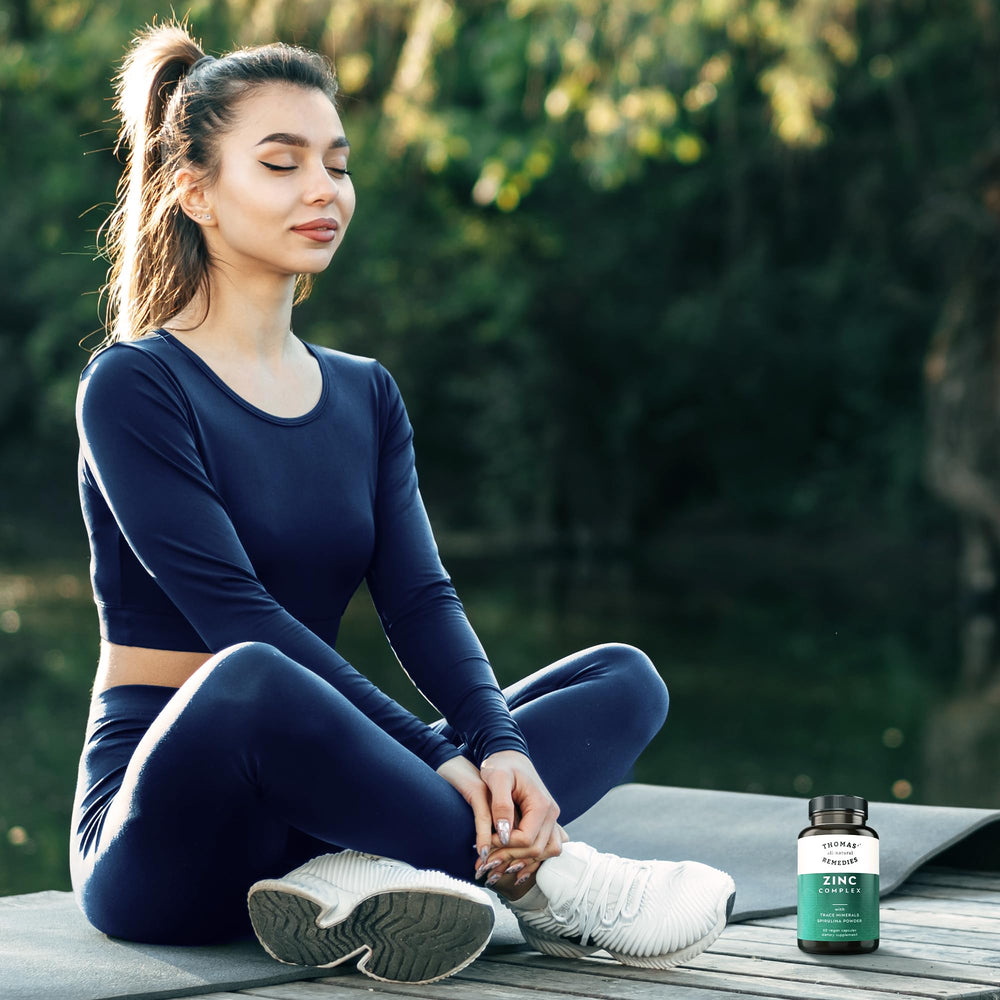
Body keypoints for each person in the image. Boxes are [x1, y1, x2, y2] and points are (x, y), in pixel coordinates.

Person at [70, 21, 736, 986]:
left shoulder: (364, 393)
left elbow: (420, 600)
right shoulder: (134, 386)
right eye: (281, 163)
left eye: (336, 165)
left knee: (625, 681)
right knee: (252, 672)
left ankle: (365, 864)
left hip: (320, 800)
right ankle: (558, 887)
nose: (322, 191)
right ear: (195, 193)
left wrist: (494, 743)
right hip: (169, 829)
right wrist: (436, 755)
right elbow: (234, 616)